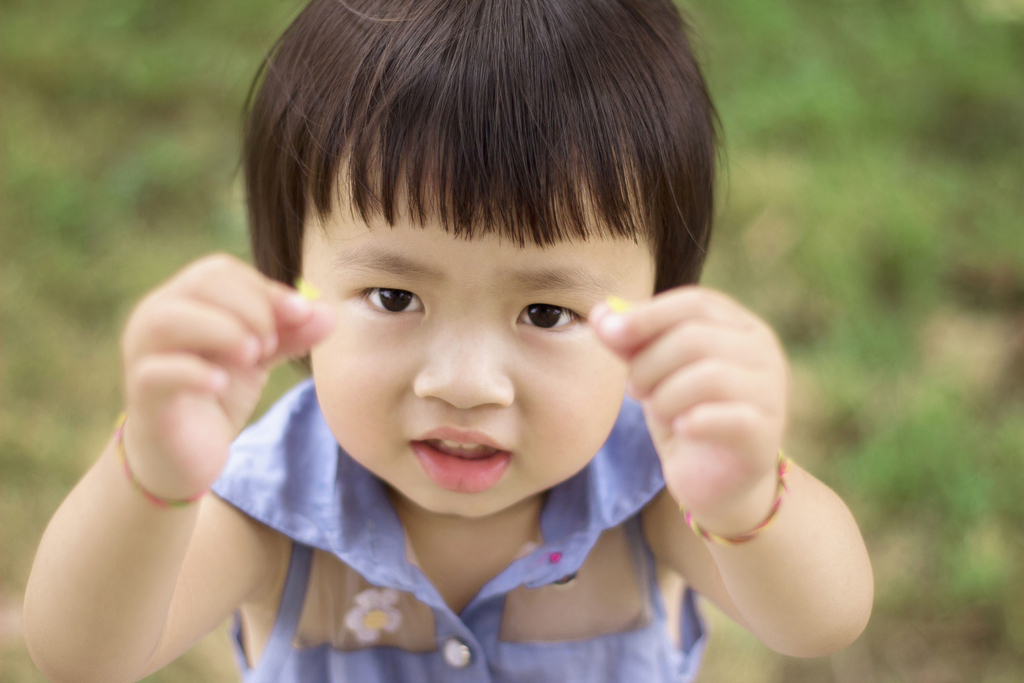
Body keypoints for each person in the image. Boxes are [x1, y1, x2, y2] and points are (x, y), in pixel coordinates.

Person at [22, 0, 874, 681]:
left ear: (658, 305)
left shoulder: (652, 487)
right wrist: (155, 480)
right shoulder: (271, 509)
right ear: (293, 278)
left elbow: (822, 620)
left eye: (545, 313)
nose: (466, 384)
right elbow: (80, 658)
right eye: (395, 295)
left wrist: (747, 502)